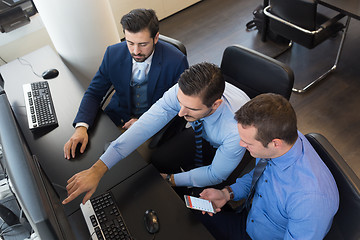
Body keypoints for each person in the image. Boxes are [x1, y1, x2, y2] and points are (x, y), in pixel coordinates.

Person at [62, 62, 250, 205]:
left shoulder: (236, 130)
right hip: (203, 133)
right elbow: (143, 127)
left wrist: (171, 180)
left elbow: (216, 174)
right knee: (159, 159)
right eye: (180, 103)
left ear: (215, 104)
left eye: (190, 108)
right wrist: (98, 169)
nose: (180, 113)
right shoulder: (183, 92)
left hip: (232, 147)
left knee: (205, 195)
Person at [198, 93, 339, 240]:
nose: (241, 144)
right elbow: (259, 176)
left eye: (248, 143)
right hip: (250, 221)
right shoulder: (282, 137)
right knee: (192, 216)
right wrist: (227, 193)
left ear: (276, 143)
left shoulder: (310, 199)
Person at [64, 8, 188, 159]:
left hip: (151, 126)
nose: (136, 51)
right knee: (86, 154)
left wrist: (144, 123)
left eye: (143, 44)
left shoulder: (176, 61)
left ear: (156, 38)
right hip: (116, 118)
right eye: (130, 43)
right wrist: (81, 127)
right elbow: (94, 92)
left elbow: (177, 105)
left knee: (122, 166)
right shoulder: (113, 53)